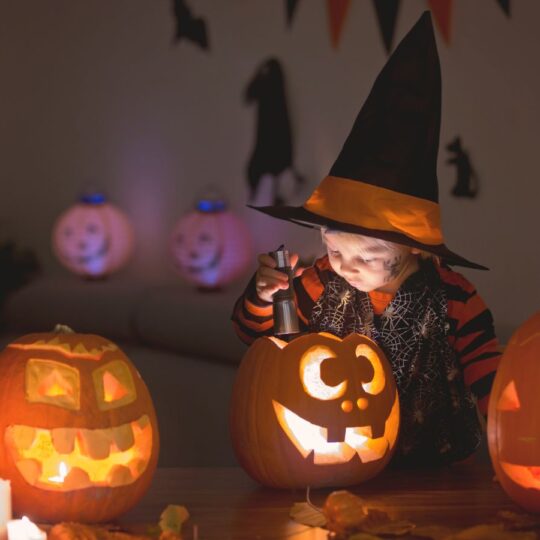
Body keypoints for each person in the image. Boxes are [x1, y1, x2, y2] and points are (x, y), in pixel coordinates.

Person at [231, 12, 501, 466]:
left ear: (414, 245)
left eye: (368, 254)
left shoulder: (455, 296)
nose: (345, 265)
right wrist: (264, 295)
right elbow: (254, 339)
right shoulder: (317, 283)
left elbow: (489, 377)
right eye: (334, 248)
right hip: (338, 460)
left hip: (438, 469)